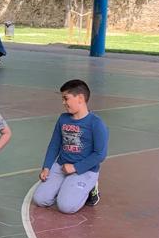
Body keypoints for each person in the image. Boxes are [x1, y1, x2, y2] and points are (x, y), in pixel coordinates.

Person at [34, 79, 108, 213]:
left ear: (80, 98)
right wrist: (46, 167)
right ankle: (66, 188)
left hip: (84, 169)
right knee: (40, 199)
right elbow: (54, 145)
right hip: (62, 166)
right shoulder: (63, 119)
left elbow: (100, 154)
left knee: (66, 207)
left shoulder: (96, 123)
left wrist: (75, 167)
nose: (63, 102)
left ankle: (91, 189)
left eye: (66, 98)